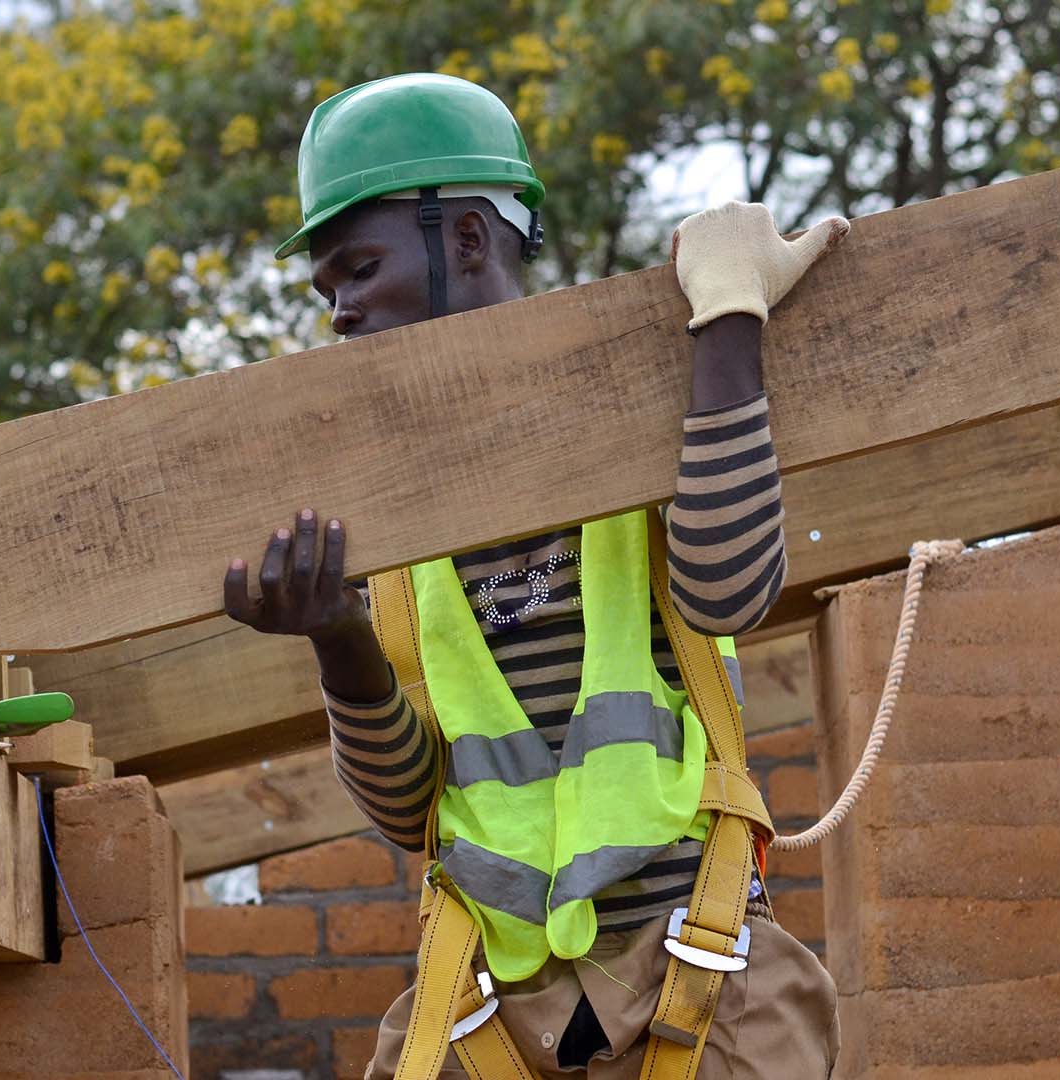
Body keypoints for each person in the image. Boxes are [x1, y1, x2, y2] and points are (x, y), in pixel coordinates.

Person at [224, 73, 845, 1078]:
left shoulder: (627, 409)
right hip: (495, 1001)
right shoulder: (377, 499)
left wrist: (728, 315)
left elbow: (728, 593)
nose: (337, 310)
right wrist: (336, 637)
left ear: (466, 240)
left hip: (694, 958)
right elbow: (407, 812)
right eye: (323, 287)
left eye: (359, 267)